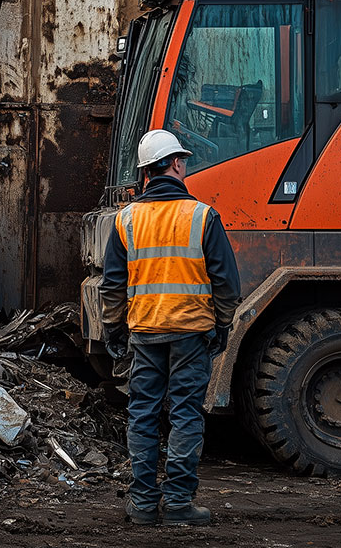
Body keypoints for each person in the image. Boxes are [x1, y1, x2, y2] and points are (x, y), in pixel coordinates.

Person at [100, 129, 240, 527]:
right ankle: (178, 502)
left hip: (144, 333)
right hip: (192, 334)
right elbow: (227, 284)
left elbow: (113, 284)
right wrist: (223, 326)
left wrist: (114, 329)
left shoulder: (126, 219)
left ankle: (143, 504)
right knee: (185, 414)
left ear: (146, 172)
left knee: (142, 415)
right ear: (176, 164)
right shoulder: (202, 216)